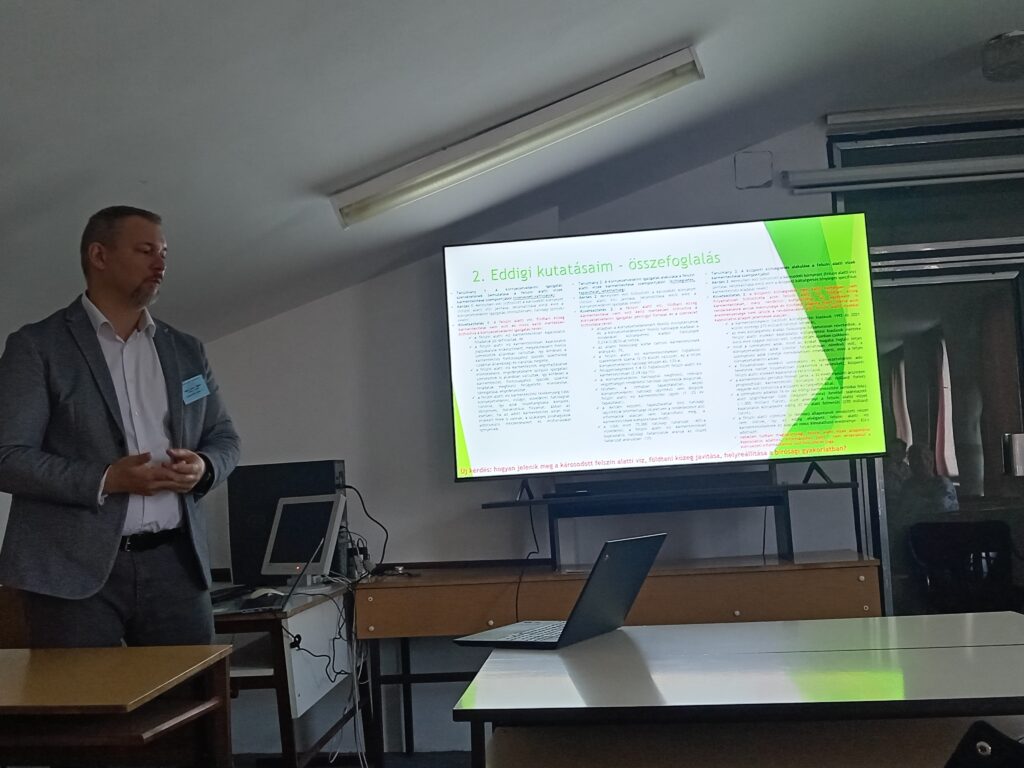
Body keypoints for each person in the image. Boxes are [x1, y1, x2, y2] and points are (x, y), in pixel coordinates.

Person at [0, 206, 241, 647]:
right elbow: (8, 458)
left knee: (192, 691)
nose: (160, 263)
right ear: (99, 255)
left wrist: (204, 468)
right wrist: (108, 479)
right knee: (86, 695)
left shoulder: (187, 350)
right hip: (71, 573)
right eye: (146, 250)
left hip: (178, 567)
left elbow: (224, 438)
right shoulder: (36, 347)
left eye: (164, 253)